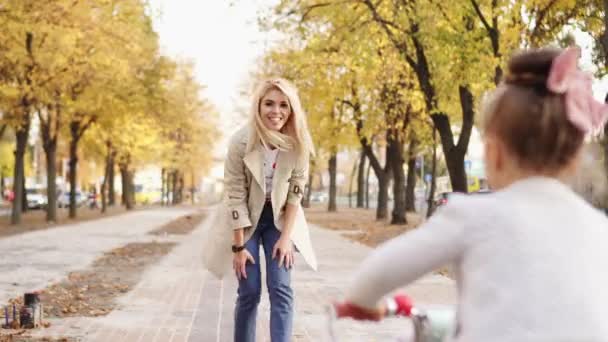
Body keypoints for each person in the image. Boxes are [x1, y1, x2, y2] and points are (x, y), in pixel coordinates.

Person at [333, 47, 608, 341]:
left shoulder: (473, 215)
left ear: (494, 153)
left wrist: (364, 303)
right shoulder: (599, 226)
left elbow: (376, 273)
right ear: (576, 157)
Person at [218, 78, 316, 342]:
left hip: (280, 218)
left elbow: (297, 189)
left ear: (292, 109)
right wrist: (239, 248)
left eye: (284, 105)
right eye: (269, 103)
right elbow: (235, 194)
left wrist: (286, 238)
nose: (276, 111)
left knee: (281, 288)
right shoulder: (240, 142)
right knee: (249, 291)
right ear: (258, 106)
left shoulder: (298, 142)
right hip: (247, 219)